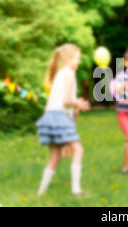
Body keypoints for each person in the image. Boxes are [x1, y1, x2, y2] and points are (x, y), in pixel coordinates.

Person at [36, 43, 90, 196]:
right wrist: (79, 103)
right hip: (59, 115)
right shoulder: (70, 73)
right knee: (78, 150)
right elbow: (66, 100)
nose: (79, 61)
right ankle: (76, 190)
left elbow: (64, 101)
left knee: (55, 156)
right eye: (77, 58)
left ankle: (41, 192)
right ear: (68, 58)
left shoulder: (60, 73)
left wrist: (76, 106)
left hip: (49, 116)